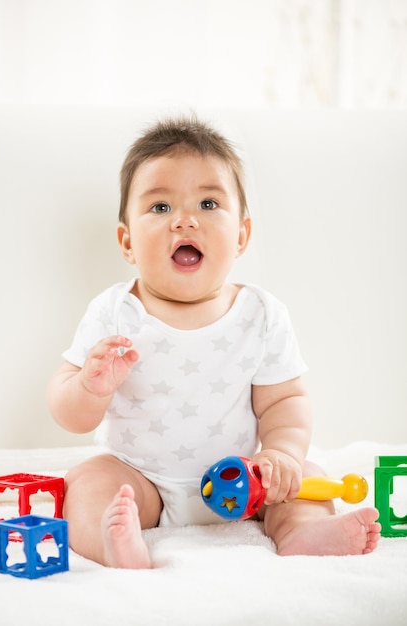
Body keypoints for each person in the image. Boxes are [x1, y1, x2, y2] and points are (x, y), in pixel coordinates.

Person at [47, 115, 381, 569]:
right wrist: (88, 387)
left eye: (207, 203)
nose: (184, 220)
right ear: (126, 242)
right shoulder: (114, 312)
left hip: (246, 479)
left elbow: (284, 401)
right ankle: (113, 545)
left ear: (241, 235)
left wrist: (280, 454)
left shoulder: (261, 315)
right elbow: (68, 413)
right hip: (141, 478)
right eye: (161, 208)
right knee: (87, 483)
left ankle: (301, 534)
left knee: (306, 478)